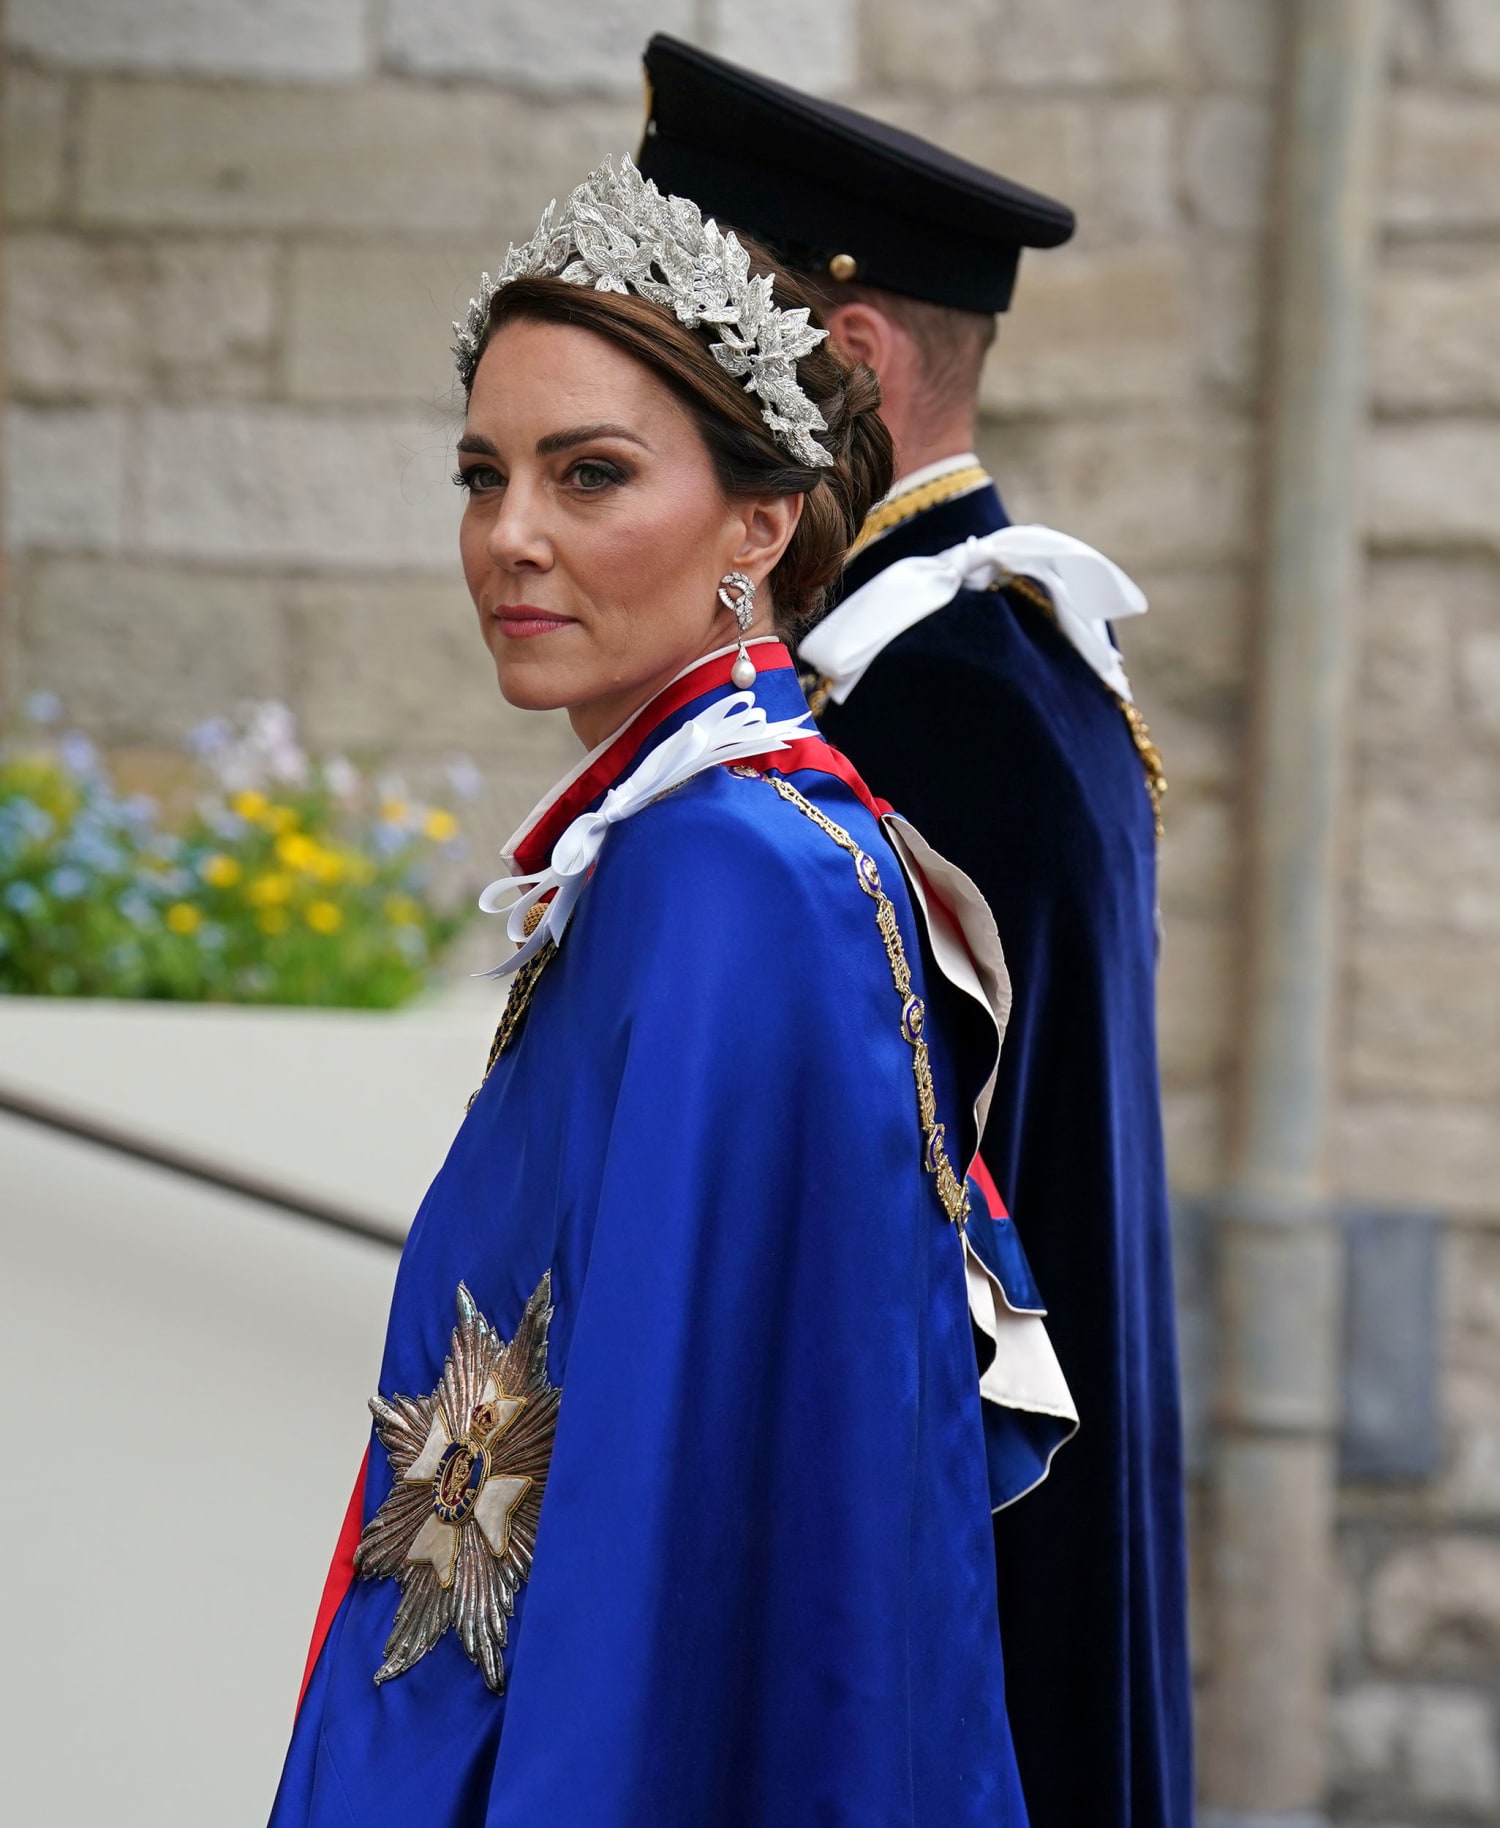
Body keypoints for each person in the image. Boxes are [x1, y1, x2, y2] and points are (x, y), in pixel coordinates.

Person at [269, 155, 1077, 1828]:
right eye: (483, 474)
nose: (511, 537)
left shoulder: (733, 874)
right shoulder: (696, 840)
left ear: (762, 523)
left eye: (591, 476)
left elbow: (666, 1490)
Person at [639, 36, 1192, 1828]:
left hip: (923, 1622)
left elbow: (863, 1269)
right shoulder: (978, 663)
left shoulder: (928, 702)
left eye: (696, 340)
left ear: (851, 361)